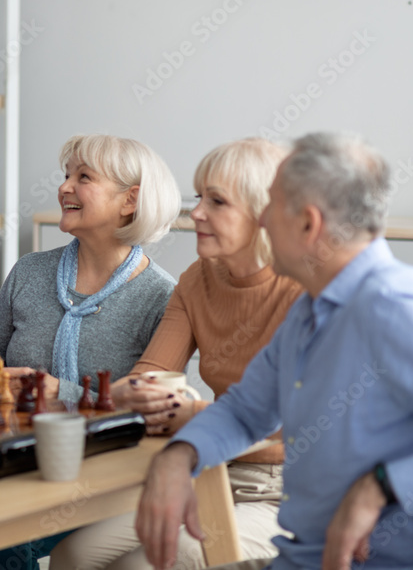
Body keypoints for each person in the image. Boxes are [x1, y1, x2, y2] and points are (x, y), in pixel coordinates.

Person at [136, 132, 413, 570]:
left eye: (271, 204)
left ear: (309, 224)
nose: (261, 220)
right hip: (301, 554)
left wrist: (383, 484)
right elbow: (246, 412)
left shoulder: (394, 307)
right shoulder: (310, 310)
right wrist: (178, 458)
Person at [50, 138, 303, 570]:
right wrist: (136, 395)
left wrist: (195, 416)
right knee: (73, 555)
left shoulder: (305, 291)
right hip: (212, 469)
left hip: (289, 490)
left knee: (141, 566)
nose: (197, 212)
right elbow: (147, 376)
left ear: (265, 212)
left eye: (217, 201)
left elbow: (299, 429)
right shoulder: (198, 279)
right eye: (199, 197)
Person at [0, 134, 182, 570]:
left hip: (107, 480)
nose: (64, 186)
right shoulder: (29, 272)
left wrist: (58, 392)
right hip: (19, 461)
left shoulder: (162, 297)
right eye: (66, 175)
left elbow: (158, 412)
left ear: (129, 201)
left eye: (83, 177)